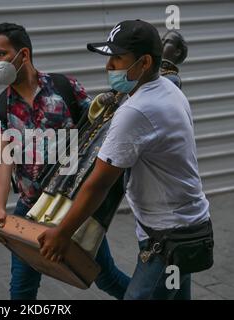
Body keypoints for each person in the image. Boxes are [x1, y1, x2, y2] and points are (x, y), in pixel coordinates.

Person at [38, 20, 213, 300]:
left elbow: (98, 184)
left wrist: (62, 233)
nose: (109, 67)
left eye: (117, 58)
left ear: (144, 62)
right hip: (186, 225)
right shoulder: (169, 90)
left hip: (167, 238)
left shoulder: (135, 110)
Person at [0, 22, 130, 300]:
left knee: (103, 276)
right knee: (21, 291)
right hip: (29, 209)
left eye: (0, 55)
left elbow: (97, 129)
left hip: (69, 205)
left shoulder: (65, 87)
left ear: (23, 55)